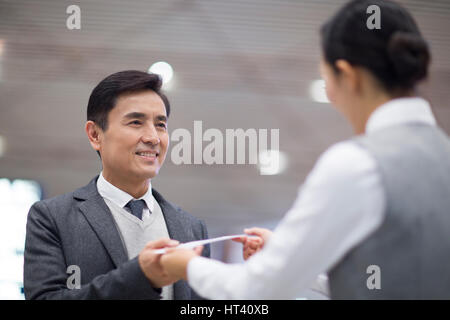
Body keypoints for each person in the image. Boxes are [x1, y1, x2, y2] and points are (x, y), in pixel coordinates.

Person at [159, 0, 450, 299]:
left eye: (327, 79)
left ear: (348, 77)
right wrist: (290, 257)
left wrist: (188, 266)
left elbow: (257, 290)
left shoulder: (357, 164)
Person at [23, 70, 210, 300]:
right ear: (95, 135)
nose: (153, 137)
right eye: (136, 122)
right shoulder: (52, 218)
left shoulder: (191, 228)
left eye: (160, 125)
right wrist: (140, 276)